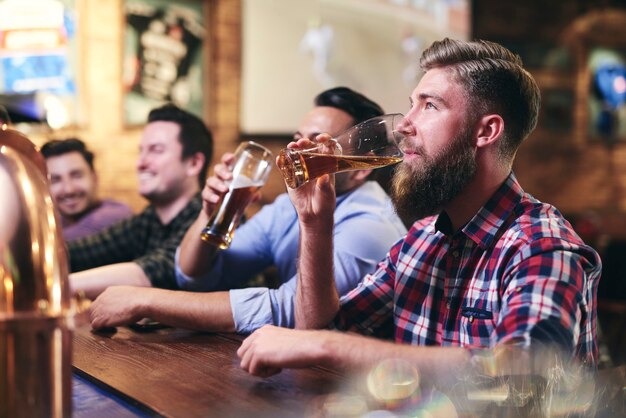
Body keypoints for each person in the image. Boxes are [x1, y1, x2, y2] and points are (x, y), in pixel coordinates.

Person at [236, 38, 602, 382]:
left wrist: (327, 346)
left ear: (486, 132)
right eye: (412, 103)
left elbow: (523, 374)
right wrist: (315, 223)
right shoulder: (421, 239)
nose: (405, 125)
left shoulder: (542, 246)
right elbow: (317, 332)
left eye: (429, 105)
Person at [88, 87, 407, 333]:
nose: (298, 151)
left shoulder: (371, 224)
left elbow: (292, 312)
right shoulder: (286, 208)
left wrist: (147, 299)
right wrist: (209, 213)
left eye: (320, 144)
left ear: (361, 168)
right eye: (298, 140)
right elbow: (197, 275)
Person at [69, 103, 212, 299]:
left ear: (194, 163)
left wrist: (54, 287)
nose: (141, 162)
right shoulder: (148, 219)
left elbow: (159, 271)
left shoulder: (212, 215)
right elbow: (80, 253)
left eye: (156, 150)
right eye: (141, 151)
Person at [40, 138, 133, 241]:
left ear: (94, 177)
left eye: (76, 175)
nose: (68, 190)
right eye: (55, 180)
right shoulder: (54, 222)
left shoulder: (115, 216)